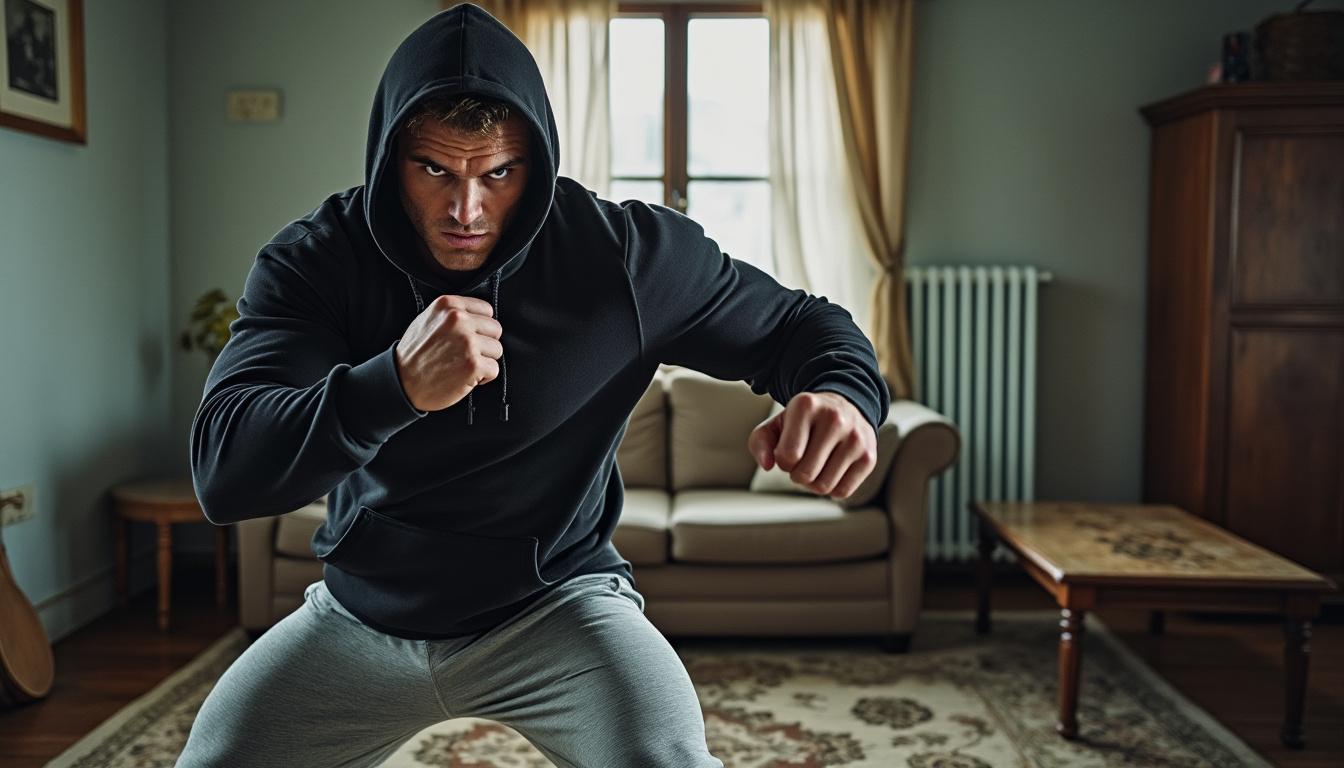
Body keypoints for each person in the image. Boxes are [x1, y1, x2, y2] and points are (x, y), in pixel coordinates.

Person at [178, 3, 889, 767]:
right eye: (434, 170)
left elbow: (802, 326)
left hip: (558, 611)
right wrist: (394, 387)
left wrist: (843, 394)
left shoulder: (621, 256)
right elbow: (225, 471)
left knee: (670, 758)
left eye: (498, 172)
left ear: (538, 159)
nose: (465, 209)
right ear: (390, 158)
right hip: (361, 616)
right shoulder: (317, 262)